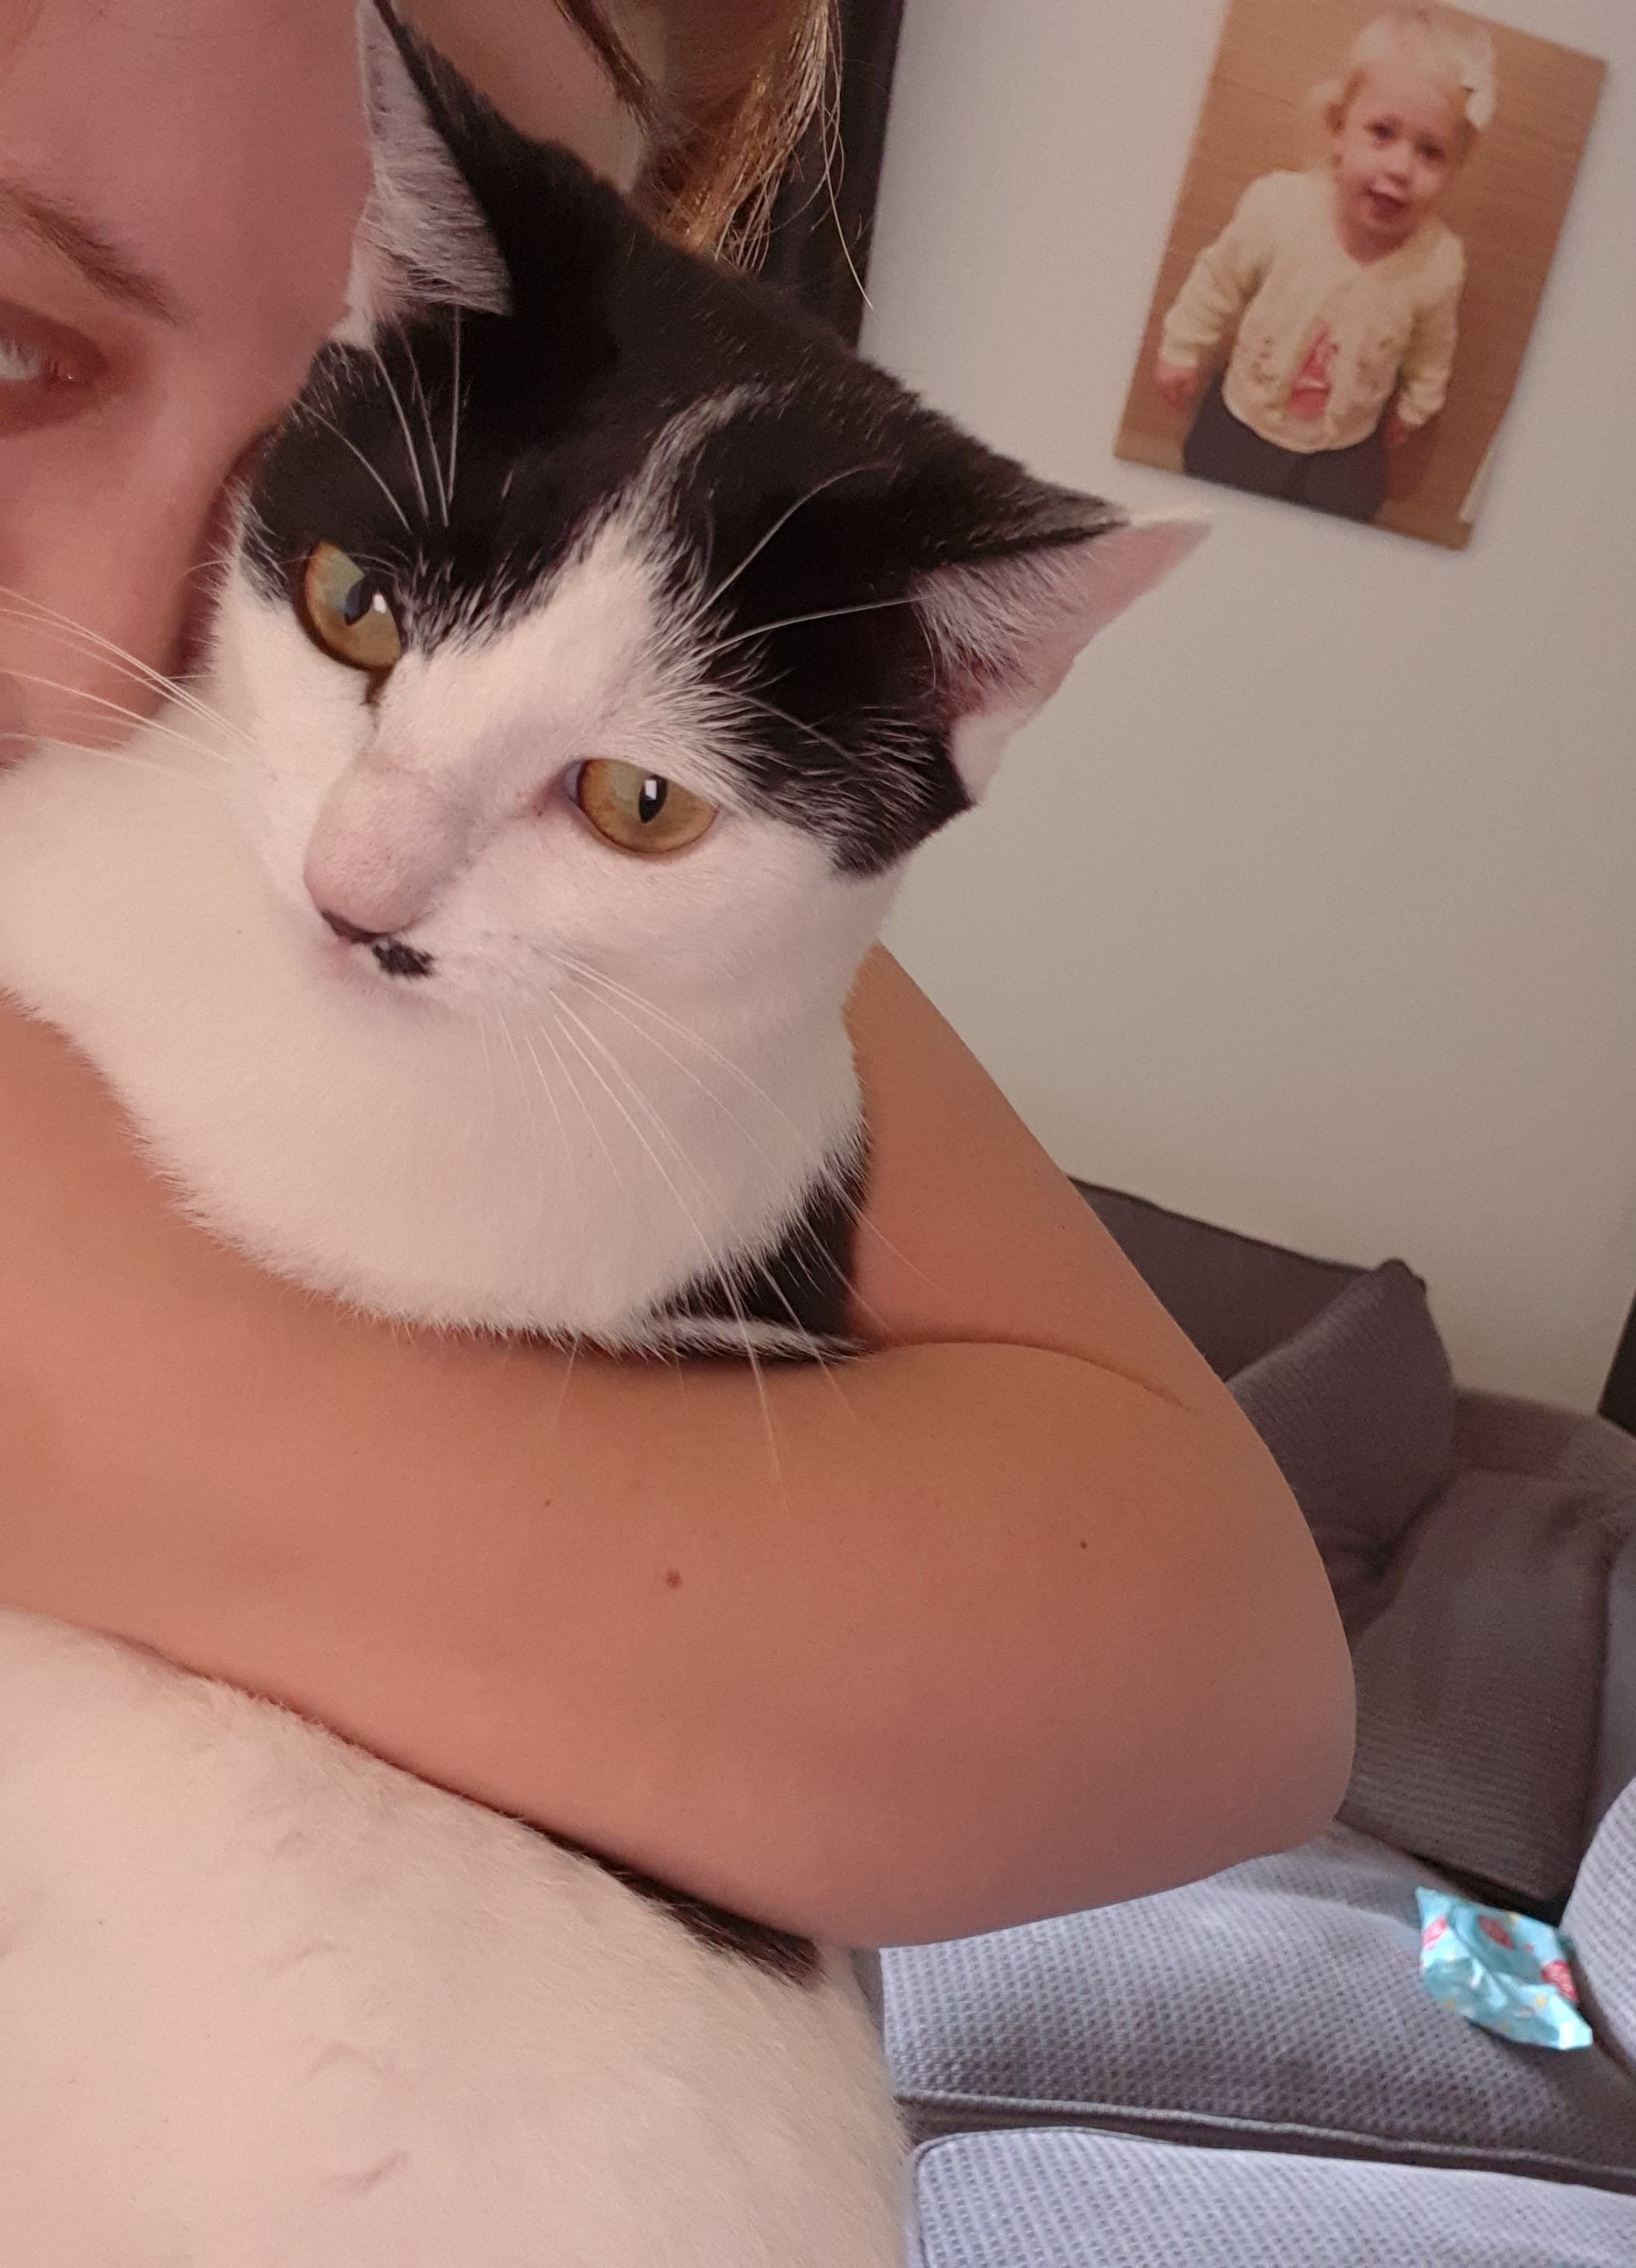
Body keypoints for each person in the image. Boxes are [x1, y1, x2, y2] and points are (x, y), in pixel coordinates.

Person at [0, 0, 1353, 1954]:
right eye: (12, 344)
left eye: (314, 425)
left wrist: (117, 1391)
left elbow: (1228, 1686)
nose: (123, 649)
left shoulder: (582, 943)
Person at [1154, 4, 1494, 524]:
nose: (1400, 168)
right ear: (1339, 127)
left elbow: (1433, 345)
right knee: (1212, 510)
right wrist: (1183, 347)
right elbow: (1217, 281)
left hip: (1348, 444)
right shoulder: (1278, 208)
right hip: (1245, 414)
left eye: (1430, 152)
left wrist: (1417, 406)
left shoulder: (1438, 262)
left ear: (1454, 167)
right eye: (1382, 132)